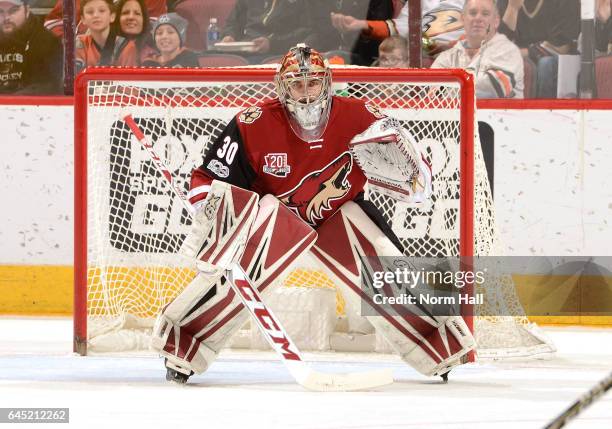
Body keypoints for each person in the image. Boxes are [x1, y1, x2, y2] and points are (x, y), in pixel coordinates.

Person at [149, 44, 475, 385]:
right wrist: (212, 216)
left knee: (382, 259)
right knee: (238, 268)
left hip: (337, 212)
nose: (306, 93)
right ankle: (183, 343)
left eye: (313, 83)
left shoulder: (361, 115)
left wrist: (410, 176)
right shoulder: (253, 124)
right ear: (282, 86)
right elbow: (208, 179)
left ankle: (436, 344)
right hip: (279, 219)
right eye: (297, 84)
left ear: (327, 82)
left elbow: (416, 182)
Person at [432, 0, 523, 98]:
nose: (478, 18)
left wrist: (449, 87)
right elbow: (433, 94)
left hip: (498, 113)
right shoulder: (447, 57)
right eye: (473, 13)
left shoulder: (509, 52)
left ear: (496, 21)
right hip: (453, 113)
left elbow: (491, 89)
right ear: (463, 19)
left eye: (485, 14)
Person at [496, 0, 580, 98]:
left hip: (557, 59)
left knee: (545, 64)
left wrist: (521, 53)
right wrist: (512, 8)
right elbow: (500, 45)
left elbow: (562, 45)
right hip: (519, 57)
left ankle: (543, 111)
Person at [328, 1, 466, 58]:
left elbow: (484, 35)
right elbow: (402, 26)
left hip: (460, 62)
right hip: (420, 61)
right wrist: (360, 24)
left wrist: (450, 46)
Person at [0, 0, 62, 94]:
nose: (6, 18)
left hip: (32, 106)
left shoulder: (47, 41)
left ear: (27, 10)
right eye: (0, 11)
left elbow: (48, 86)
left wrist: (11, 102)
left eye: (13, 11)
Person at [219, 0, 312, 60]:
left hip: (276, 51)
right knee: (210, 60)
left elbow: (307, 32)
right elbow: (233, 23)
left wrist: (272, 44)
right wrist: (229, 36)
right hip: (244, 50)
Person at [75, 0, 139, 74]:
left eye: (102, 11)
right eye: (90, 12)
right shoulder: (79, 44)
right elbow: (76, 79)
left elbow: (129, 82)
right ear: (83, 19)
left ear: (112, 16)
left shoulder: (127, 47)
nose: (96, 15)